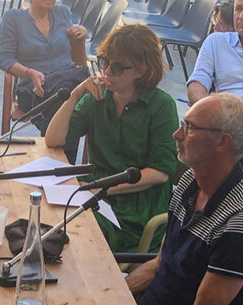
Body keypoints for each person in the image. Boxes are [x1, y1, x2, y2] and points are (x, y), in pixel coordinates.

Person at [126, 93, 243, 305]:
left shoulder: (237, 222)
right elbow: (161, 261)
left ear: (222, 142)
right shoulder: (191, 180)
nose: (177, 134)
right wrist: (116, 297)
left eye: (189, 127)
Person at [45, 25, 178, 253]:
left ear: (141, 70)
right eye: (104, 61)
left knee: (71, 238)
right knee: (47, 219)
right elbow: (53, 139)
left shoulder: (162, 106)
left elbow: (159, 172)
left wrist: (103, 190)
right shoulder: (97, 98)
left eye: (116, 67)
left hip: (135, 209)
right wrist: (75, 94)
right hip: (95, 193)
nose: (106, 71)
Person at [0, 0, 89, 141]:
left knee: (68, 95)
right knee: (66, 99)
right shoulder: (13, 18)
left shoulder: (61, 12)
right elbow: (5, 59)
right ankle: (61, 156)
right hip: (35, 88)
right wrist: (30, 73)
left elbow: (73, 37)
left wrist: (80, 32)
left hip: (68, 79)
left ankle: (55, 154)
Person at [187, 0, 243, 104]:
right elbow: (199, 80)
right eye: (238, 9)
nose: (241, 16)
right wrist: (204, 107)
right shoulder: (216, 42)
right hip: (227, 116)